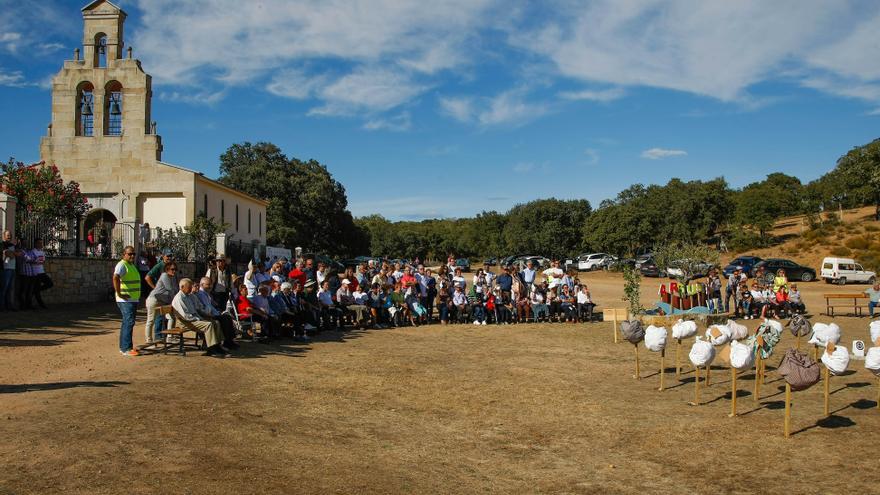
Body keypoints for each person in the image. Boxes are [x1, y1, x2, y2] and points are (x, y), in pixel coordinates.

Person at [172, 278, 227, 356]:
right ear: (182, 287)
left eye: (191, 287)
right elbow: (185, 316)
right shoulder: (179, 298)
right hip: (186, 322)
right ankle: (211, 348)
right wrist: (199, 319)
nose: (191, 289)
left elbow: (198, 307)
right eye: (189, 287)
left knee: (216, 322)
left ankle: (217, 345)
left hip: (193, 318)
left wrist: (204, 315)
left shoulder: (189, 296)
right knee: (208, 325)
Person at [195, 277, 239, 349]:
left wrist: (218, 312)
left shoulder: (206, 294)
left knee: (227, 317)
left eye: (210, 284)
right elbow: (204, 308)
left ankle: (229, 341)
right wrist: (214, 314)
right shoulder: (200, 294)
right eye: (208, 285)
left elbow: (211, 306)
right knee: (224, 319)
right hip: (206, 315)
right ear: (202, 285)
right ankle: (227, 342)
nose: (210, 286)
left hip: (212, 313)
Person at [112, 246, 141, 356]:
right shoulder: (122, 265)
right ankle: (126, 348)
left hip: (132, 299)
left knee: (128, 322)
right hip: (125, 300)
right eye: (129, 254)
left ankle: (125, 347)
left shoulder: (131, 265)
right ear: (124, 254)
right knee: (128, 322)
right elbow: (115, 277)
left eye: (133, 254)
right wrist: (119, 293)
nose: (132, 256)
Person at [144, 261, 178, 344]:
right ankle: (149, 340)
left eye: (175, 269)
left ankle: (169, 337)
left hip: (163, 300)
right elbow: (170, 289)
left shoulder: (172, 277)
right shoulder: (164, 275)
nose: (174, 271)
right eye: (172, 269)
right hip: (154, 300)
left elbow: (175, 290)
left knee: (171, 317)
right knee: (151, 320)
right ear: (167, 270)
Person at [22, 238, 52, 309]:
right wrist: (36, 261)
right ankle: (39, 305)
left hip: (42, 272)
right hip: (35, 273)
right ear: (35, 244)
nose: (41, 244)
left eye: (41, 243)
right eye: (39, 243)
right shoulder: (32, 251)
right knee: (36, 290)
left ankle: (35, 293)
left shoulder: (42, 252)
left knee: (50, 283)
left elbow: (43, 261)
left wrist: (40, 261)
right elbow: (30, 261)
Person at [1, 231, 22, 310]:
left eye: (10, 235)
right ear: (4, 236)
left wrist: (12, 252)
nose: (9, 237)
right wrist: (13, 253)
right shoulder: (2, 244)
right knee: (4, 288)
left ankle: (9, 306)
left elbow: (19, 254)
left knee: (11, 289)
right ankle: (2, 306)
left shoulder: (12, 245)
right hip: (6, 269)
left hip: (13, 269)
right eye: (7, 235)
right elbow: (10, 255)